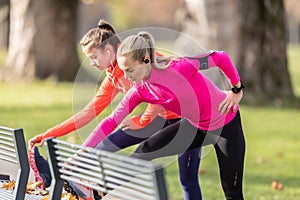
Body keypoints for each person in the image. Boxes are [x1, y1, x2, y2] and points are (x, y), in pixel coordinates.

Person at [28, 20, 203, 200]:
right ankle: (58, 173)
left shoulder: (133, 59)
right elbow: (88, 113)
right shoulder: (113, 75)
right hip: (161, 119)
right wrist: (48, 134)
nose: (91, 63)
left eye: (93, 57)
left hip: (190, 120)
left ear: (109, 51)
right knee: (106, 144)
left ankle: (62, 174)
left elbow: (159, 93)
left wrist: (142, 120)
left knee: (187, 179)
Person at [83, 31, 246, 200]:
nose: (126, 76)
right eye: (123, 70)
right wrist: (83, 152)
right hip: (196, 127)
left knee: (232, 194)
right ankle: (99, 192)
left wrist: (237, 89)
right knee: (145, 150)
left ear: (146, 59)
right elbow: (111, 121)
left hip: (227, 126)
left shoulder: (180, 67)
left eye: (130, 70)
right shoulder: (140, 91)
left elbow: (220, 58)